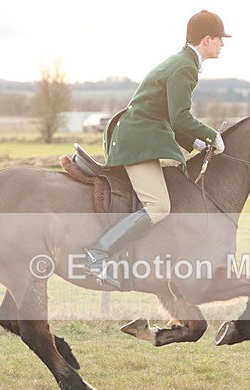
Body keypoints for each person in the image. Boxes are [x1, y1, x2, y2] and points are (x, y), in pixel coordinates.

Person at [83, 10, 231, 286]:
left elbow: (166, 115)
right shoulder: (185, 67)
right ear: (207, 39)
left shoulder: (183, 62)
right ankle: (98, 254)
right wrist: (212, 136)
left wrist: (194, 142)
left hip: (143, 134)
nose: (223, 44)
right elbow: (180, 117)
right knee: (159, 206)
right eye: (221, 39)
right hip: (137, 139)